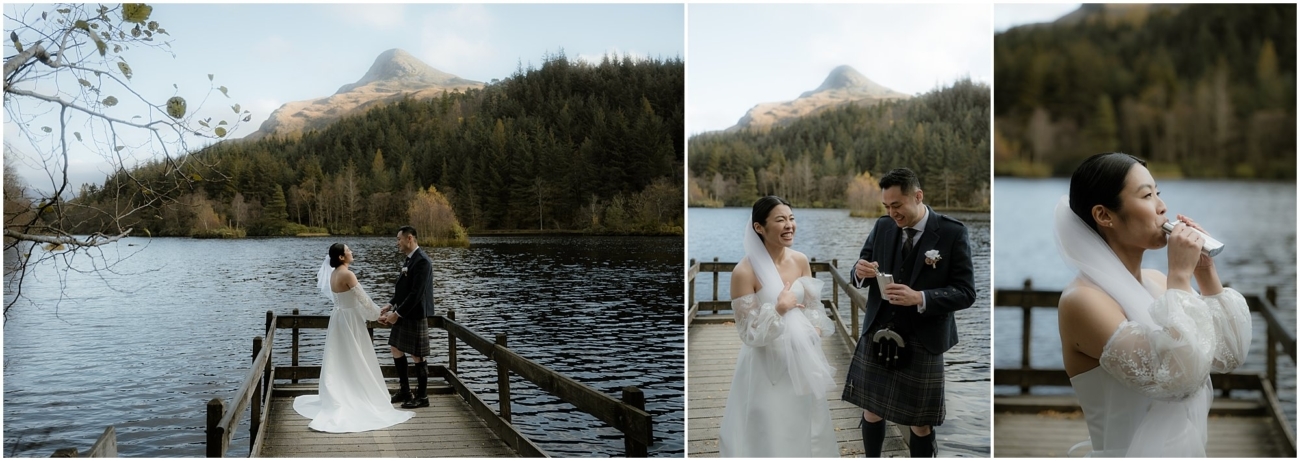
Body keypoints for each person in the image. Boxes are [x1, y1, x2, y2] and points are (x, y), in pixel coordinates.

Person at [1054, 152, 1252, 457]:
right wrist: (1180, 277)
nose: (1162, 207)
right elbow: (1178, 382)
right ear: (1104, 215)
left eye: (1158, 192)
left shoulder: (1159, 281)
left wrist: (1203, 270)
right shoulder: (1083, 300)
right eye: (1147, 195)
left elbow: (1229, 354)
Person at [843, 167, 976, 457]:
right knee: (871, 410)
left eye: (897, 205)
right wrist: (859, 271)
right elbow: (861, 269)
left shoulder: (952, 233)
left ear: (918, 196)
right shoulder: (883, 226)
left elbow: (966, 292)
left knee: (921, 424)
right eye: (887, 206)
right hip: (878, 331)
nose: (892, 213)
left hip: (924, 338)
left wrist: (921, 297)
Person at [718, 195, 839, 457]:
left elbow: (814, 307)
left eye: (792, 219)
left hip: (801, 357)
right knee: (769, 426)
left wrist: (814, 331)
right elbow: (747, 333)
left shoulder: (801, 260)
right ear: (759, 227)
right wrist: (778, 309)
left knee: (806, 425)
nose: (789, 226)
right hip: (765, 364)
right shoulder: (744, 272)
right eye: (780, 220)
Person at [292, 243, 414, 433]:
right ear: (341, 257)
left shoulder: (334, 274)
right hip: (350, 321)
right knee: (357, 356)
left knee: (342, 357)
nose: (351, 252)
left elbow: (352, 301)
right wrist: (377, 314)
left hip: (340, 318)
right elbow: (363, 299)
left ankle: (342, 390)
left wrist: (373, 314)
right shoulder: (348, 274)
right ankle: (356, 394)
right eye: (348, 250)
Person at [379, 226, 436, 409]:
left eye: (399, 239)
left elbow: (416, 294)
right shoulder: (410, 259)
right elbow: (403, 289)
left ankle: (422, 397)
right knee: (395, 347)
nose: (397, 243)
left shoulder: (422, 261)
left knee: (417, 355)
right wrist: (390, 304)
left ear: (409, 238)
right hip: (404, 310)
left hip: (415, 313)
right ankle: (405, 390)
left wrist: (397, 314)